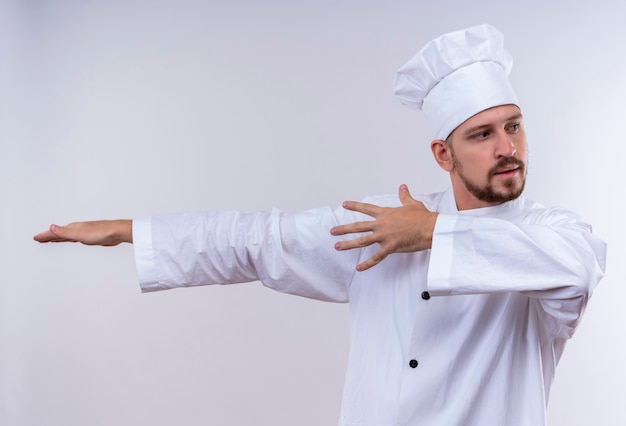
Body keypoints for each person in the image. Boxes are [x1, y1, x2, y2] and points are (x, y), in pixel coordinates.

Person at [34, 24, 606, 426]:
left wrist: (432, 233)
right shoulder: (383, 222)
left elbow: (573, 269)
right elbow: (260, 240)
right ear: (442, 153)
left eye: (514, 127)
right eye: (483, 135)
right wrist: (132, 229)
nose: (508, 148)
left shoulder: (550, 234)